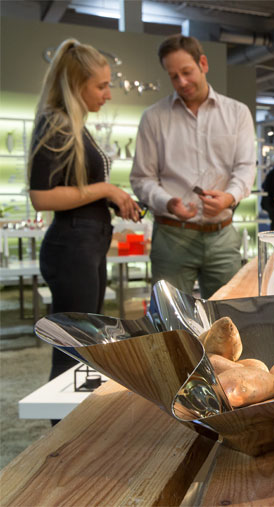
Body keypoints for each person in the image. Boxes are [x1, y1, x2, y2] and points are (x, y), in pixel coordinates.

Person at [27, 39, 142, 395]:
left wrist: (114, 198)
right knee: (72, 349)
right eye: (101, 86)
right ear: (76, 86)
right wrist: (107, 190)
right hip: (72, 249)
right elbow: (41, 196)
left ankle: (78, 421)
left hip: (85, 246)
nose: (108, 94)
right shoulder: (57, 124)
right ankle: (62, 426)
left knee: (85, 346)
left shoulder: (74, 125)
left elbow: (75, 189)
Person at [130, 34, 255, 298]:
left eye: (187, 72)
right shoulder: (153, 118)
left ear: (203, 64)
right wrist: (168, 202)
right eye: (174, 76)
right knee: (170, 317)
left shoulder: (237, 113)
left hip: (222, 235)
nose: (182, 82)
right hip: (171, 236)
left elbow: (245, 167)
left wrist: (229, 197)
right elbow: (142, 178)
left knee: (228, 313)